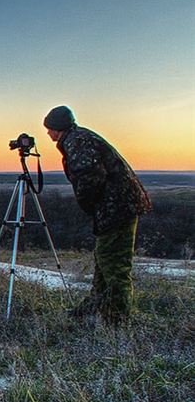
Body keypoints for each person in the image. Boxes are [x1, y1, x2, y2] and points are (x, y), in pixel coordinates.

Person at [43, 105, 152, 324]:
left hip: (116, 209)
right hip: (118, 207)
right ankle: (95, 306)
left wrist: (86, 203)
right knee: (104, 260)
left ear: (57, 128)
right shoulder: (80, 137)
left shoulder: (77, 142)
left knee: (114, 264)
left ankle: (116, 321)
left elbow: (90, 176)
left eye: (49, 128)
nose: (47, 133)